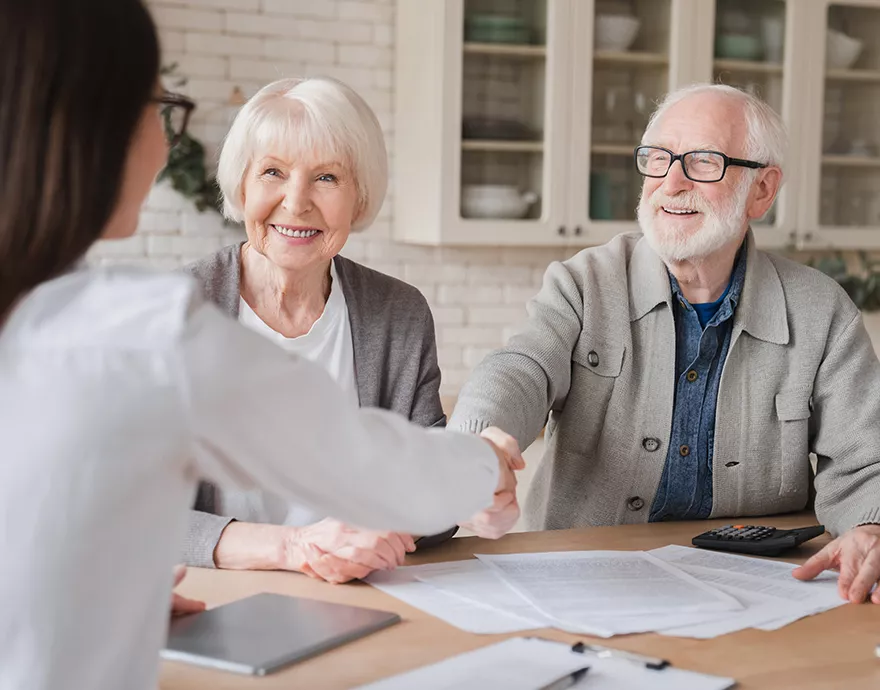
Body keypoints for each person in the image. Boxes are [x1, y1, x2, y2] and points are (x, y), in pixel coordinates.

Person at [0, 1, 523, 688]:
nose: (163, 143)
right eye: (159, 108)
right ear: (94, 129)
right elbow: (357, 459)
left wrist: (103, 592)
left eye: (327, 177)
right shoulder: (144, 330)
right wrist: (484, 467)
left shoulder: (60, 321)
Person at [450, 84, 880, 605]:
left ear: (762, 191)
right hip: (584, 580)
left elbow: (865, 465)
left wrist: (871, 529)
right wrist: (473, 447)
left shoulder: (821, 309)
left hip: (761, 590)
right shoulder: (584, 283)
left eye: (702, 162)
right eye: (657, 160)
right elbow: (521, 369)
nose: (670, 183)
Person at [182, 77, 503, 584]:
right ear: (242, 185)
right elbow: (130, 515)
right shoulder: (176, 313)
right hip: (213, 595)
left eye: (327, 178)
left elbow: (431, 510)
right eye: (272, 172)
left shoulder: (398, 313)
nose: (296, 201)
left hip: (363, 594)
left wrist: (463, 482)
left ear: (359, 197)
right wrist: (297, 548)